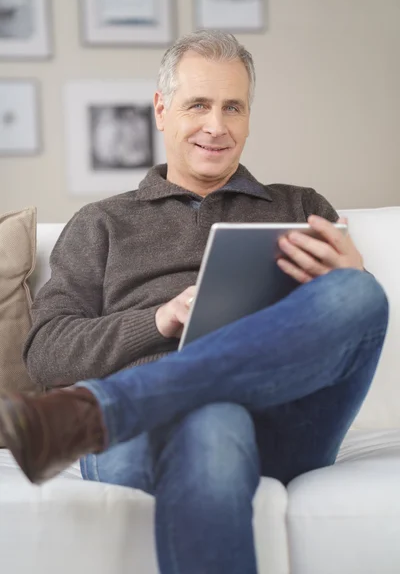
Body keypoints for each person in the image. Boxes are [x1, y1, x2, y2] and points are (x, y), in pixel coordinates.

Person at [0, 30, 389, 574]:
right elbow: (46, 353)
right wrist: (160, 320)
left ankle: (103, 407)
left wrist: (349, 276)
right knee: (211, 421)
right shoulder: (102, 224)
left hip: (283, 423)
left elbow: (346, 331)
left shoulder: (302, 206)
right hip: (141, 438)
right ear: (161, 110)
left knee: (361, 292)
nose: (217, 125)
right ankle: (136, 404)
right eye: (198, 105)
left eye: (234, 107)